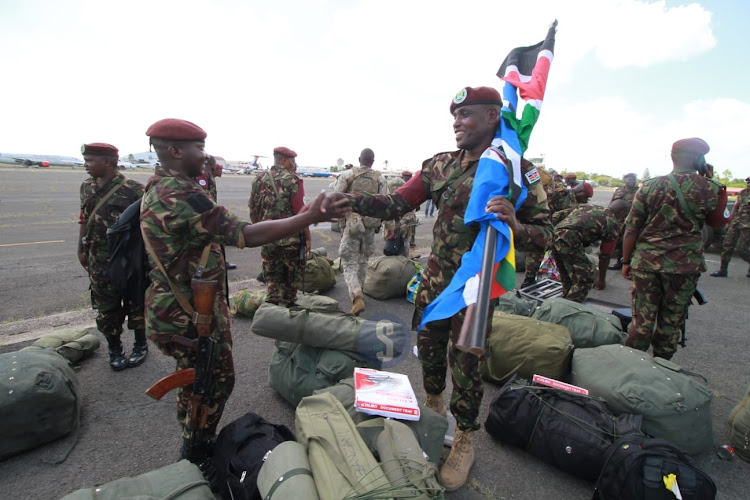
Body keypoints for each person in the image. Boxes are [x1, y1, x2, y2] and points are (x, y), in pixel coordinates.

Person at [328, 87, 551, 491]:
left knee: (466, 363)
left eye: (465, 114)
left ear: (491, 116)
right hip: (434, 281)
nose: (456, 122)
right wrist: (348, 200)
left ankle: (465, 436)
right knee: (429, 351)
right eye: (454, 115)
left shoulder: (514, 170)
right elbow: (397, 202)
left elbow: (547, 232)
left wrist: (517, 225)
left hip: (475, 284)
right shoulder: (440, 165)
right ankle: (433, 409)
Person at [140, 119, 348, 463]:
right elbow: (246, 234)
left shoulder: (156, 184)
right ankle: (194, 453)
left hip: (172, 305)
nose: (205, 157)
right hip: (187, 314)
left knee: (198, 382)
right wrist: (308, 217)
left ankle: (195, 441)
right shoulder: (182, 194)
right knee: (211, 383)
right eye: (200, 149)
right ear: (176, 151)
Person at [621, 138, 721, 360]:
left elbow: (631, 229)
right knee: (671, 321)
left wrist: (626, 261)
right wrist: (709, 181)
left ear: (672, 157)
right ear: (699, 159)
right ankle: (661, 368)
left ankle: (630, 366)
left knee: (642, 320)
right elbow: (716, 223)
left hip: (647, 263)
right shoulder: (711, 188)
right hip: (684, 267)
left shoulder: (650, 186)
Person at [77, 142, 148, 371]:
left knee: (137, 302)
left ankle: (140, 345)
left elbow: (146, 226)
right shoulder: (86, 187)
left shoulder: (135, 190)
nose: (86, 165)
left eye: (90, 161)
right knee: (106, 307)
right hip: (98, 259)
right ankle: (115, 349)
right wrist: (80, 248)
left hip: (129, 259)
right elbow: (83, 219)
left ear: (107, 162)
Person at [249, 147, 310, 306]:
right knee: (291, 280)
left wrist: (260, 232)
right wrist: (308, 238)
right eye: (292, 161)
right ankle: (289, 313)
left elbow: (253, 210)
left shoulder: (258, 179)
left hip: (268, 238)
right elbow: (301, 213)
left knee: (272, 279)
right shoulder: (293, 180)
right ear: (283, 160)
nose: (294, 164)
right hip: (290, 240)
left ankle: (271, 313)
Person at [333, 148, 388, 315]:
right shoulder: (380, 178)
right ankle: (360, 290)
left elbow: (335, 196)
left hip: (352, 224)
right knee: (364, 260)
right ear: (373, 161)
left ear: (359, 159)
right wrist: (390, 226)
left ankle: (356, 296)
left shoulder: (347, 175)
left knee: (348, 261)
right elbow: (387, 203)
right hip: (371, 225)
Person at [551, 201, 629, 302]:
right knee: (585, 279)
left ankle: (565, 299)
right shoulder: (612, 223)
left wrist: (554, 231)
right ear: (622, 212)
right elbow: (605, 255)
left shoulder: (588, 206)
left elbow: (556, 215)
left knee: (567, 274)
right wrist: (601, 280)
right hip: (571, 239)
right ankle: (569, 306)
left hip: (555, 235)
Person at [710, 176, 750, 278]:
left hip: (747, 226)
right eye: (747, 181)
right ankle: (723, 270)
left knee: (742, 249)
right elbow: (736, 207)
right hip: (736, 223)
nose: (748, 182)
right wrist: (729, 221)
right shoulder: (743, 193)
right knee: (727, 246)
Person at [607, 173, 639, 270]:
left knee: (633, 243)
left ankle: (632, 265)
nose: (632, 181)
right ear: (624, 180)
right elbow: (612, 204)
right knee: (618, 242)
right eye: (630, 179)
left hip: (634, 221)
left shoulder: (639, 191)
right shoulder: (619, 191)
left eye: (634, 179)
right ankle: (619, 262)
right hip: (619, 221)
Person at [386, 170, 419, 257]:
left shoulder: (390, 187)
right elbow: (413, 211)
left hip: (392, 222)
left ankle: (392, 263)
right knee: (405, 243)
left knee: (390, 243)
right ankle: (404, 262)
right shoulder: (410, 189)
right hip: (405, 223)